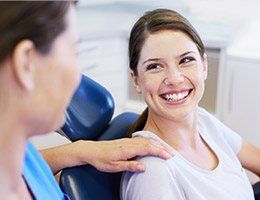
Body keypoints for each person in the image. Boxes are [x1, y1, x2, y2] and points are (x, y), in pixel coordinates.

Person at [0, 2, 174, 199]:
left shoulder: (17, 149)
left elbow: (30, 166)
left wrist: (81, 151)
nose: (78, 78)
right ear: (26, 64)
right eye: (74, 53)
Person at [121, 8, 260, 200]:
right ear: (136, 80)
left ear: (203, 66)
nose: (174, 79)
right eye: (155, 66)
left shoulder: (202, 120)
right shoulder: (153, 173)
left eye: (186, 60)